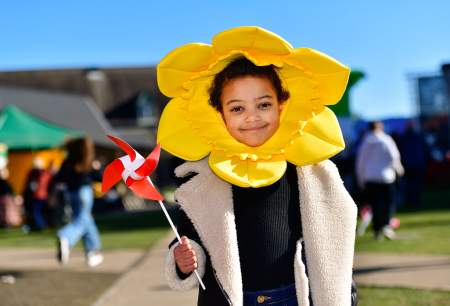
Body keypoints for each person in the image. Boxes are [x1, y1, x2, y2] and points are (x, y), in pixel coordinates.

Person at [158, 27, 358, 306]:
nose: (252, 117)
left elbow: (333, 239)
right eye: (237, 108)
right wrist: (182, 258)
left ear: (282, 105)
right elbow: (189, 238)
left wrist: (343, 291)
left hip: (297, 296)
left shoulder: (309, 171)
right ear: (220, 114)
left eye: (263, 104)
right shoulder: (206, 178)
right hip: (231, 299)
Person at [55, 137, 103, 267]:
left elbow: (59, 178)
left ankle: (92, 252)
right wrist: (98, 168)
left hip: (71, 194)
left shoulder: (68, 161)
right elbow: (99, 177)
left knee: (86, 219)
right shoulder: (86, 161)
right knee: (82, 221)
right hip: (84, 192)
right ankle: (66, 236)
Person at [356, 121, 404, 240]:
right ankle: (386, 225)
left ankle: (377, 230)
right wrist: (399, 170)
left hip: (370, 178)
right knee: (388, 203)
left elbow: (360, 163)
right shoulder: (387, 140)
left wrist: (361, 179)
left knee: (375, 205)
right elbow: (394, 157)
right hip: (386, 177)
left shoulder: (366, 142)